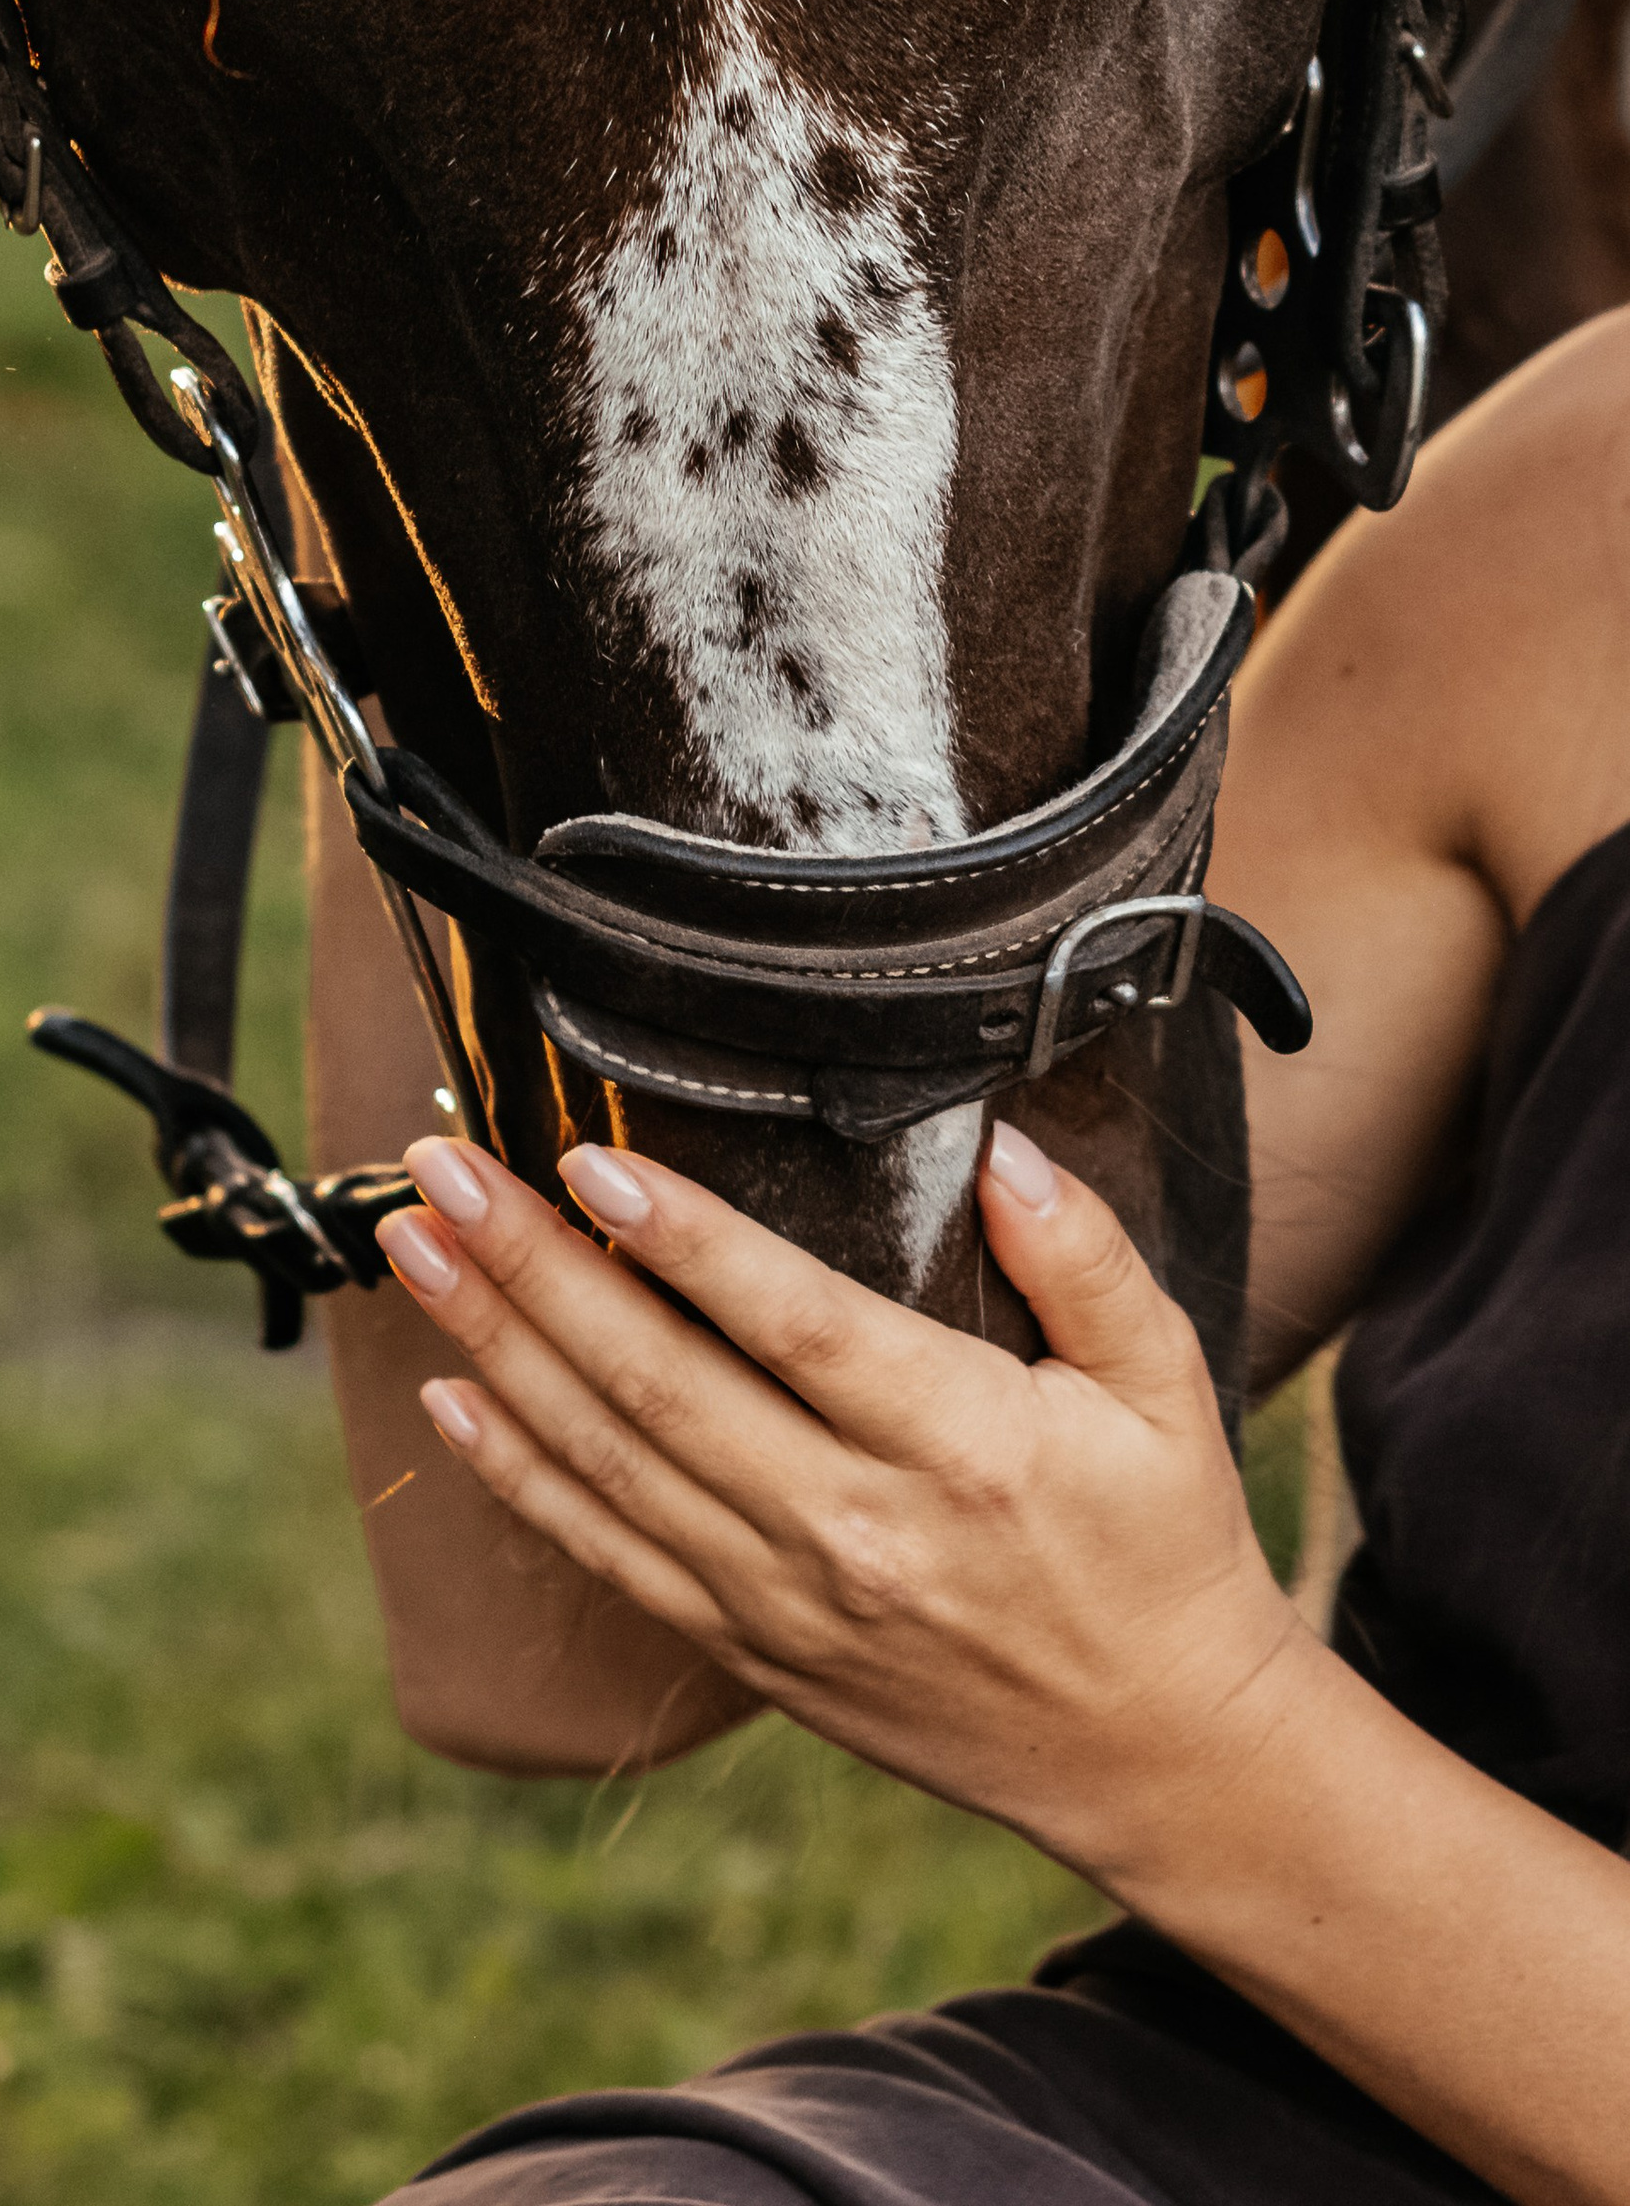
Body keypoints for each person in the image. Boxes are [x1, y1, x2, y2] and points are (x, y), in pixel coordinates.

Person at [300, 309, 1630, 2206]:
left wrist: (1192, 1735)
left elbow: (1171, 1722)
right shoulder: (1589, 514)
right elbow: (558, 1655)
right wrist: (392, 472)